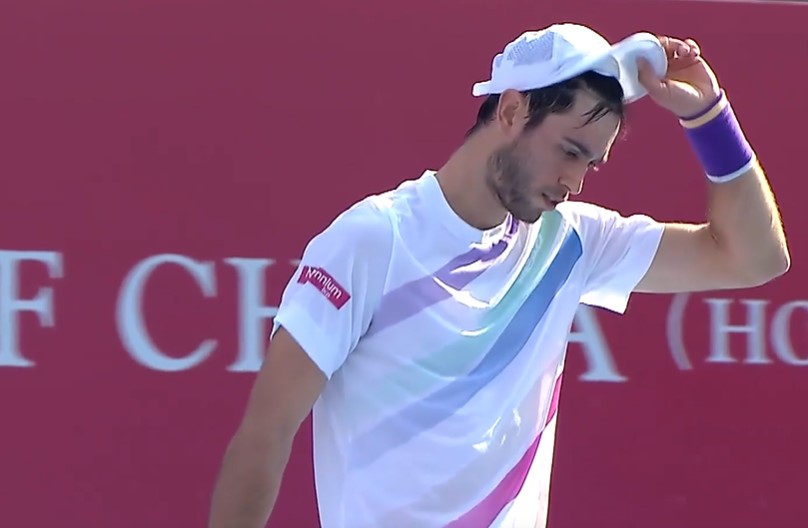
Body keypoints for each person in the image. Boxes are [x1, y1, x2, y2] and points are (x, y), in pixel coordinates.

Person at [208, 23, 789, 528]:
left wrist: (708, 117)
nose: (575, 182)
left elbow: (755, 259)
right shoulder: (372, 240)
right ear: (511, 111)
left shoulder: (573, 241)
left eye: (590, 163)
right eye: (569, 151)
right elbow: (265, 434)